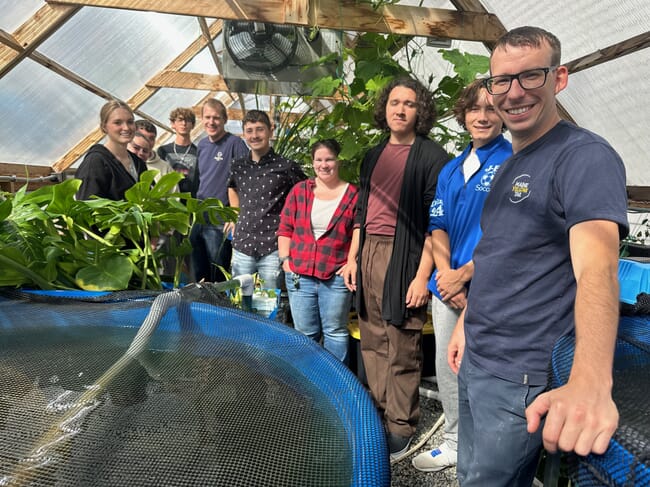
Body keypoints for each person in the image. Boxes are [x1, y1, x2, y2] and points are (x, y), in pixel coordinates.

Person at [446, 26, 628, 486]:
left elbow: (598, 268)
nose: (514, 92)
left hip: (519, 373)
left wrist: (590, 382)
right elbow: (496, 254)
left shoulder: (583, 156)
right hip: (478, 358)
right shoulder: (509, 162)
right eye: (501, 81)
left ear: (559, 78)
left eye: (531, 76)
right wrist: (467, 325)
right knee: (469, 474)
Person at [341, 77, 449, 459]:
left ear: (421, 112)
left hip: (407, 254)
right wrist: (353, 256)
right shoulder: (373, 155)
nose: (400, 109)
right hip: (369, 252)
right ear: (384, 108)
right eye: (394, 102)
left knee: (401, 341)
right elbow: (361, 212)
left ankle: (401, 426)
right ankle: (379, 412)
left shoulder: (433, 158)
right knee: (371, 337)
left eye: (409, 104)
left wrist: (422, 277)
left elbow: (437, 224)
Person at [412, 79, 512, 473]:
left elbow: (510, 229)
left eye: (492, 109)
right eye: (475, 109)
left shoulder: (512, 162)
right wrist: (446, 274)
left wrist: (468, 273)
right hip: (448, 286)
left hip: (490, 285)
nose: (483, 116)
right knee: (447, 364)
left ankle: (487, 448)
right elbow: (438, 225)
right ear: (464, 116)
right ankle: (455, 439)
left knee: (485, 367)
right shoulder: (452, 169)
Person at [277, 139, 358, 363]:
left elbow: (358, 231)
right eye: (319, 160)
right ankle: (309, 383)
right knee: (305, 334)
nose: (324, 165)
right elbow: (285, 227)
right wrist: (286, 260)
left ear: (338, 161)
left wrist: (352, 261)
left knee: (335, 331)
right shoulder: (300, 190)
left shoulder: (352, 194)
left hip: (335, 274)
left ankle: (332, 383)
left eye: (329, 159)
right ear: (312, 163)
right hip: (299, 273)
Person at [228, 110, 306, 289]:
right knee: (239, 301)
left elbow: (304, 196)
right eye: (249, 130)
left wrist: (293, 228)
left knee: (270, 303)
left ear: (271, 131)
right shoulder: (238, 165)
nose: (254, 135)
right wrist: (234, 215)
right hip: (242, 244)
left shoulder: (286, 166)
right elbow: (232, 188)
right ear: (244, 134)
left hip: (272, 245)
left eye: (259, 130)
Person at [190, 98, 248, 283]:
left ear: (224, 119)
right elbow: (199, 179)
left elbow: (244, 182)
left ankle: (218, 306)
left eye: (216, 118)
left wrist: (235, 214)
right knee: (199, 266)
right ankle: (201, 304)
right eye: (207, 117)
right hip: (200, 214)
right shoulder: (202, 145)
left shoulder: (235, 144)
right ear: (202, 119)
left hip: (220, 215)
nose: (211, 122)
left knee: (217, 268)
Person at [76, 100, 147, 200]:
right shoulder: (95, 162)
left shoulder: (137, 162)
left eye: (130, 122)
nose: (126, 128)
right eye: (118, 123)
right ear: (104, 127)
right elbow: (87, 205)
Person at [157, 107, 199, 197]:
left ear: (193, 125)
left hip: (191, 200)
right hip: (169, 199)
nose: (184, 124)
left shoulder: (198, 152)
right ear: (173, 124)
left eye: (188, 120)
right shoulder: (163, 151)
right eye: (180, 120)